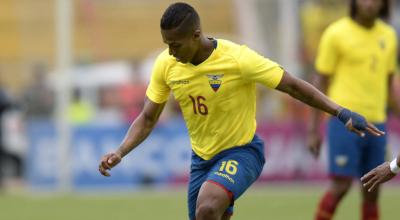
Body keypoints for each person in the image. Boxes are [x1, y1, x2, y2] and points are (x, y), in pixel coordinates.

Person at [98, 3, 384, 220]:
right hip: (202, 160)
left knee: (207, 208)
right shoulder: (166, 65)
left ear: (196, 35)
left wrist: (340, 112)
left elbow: (294, 87)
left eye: (175, 44)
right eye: (167, 45)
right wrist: (121, 151)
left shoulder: (238, 59)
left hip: (242, 152)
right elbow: (148, 117)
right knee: (208, 215)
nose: (171, 51)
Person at [307, 0, 399, 219]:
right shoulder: (336, 33)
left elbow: (388, 84)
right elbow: (320, 83)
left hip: (378, 123)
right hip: (345, 122)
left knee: (373, 189)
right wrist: (313, 129)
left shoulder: (389, 35)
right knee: (341, 186)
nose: (369, 3)